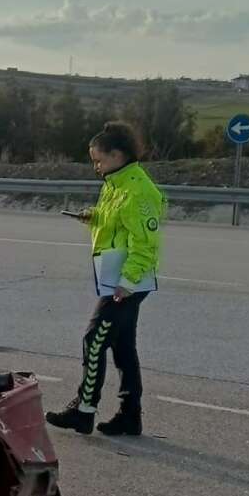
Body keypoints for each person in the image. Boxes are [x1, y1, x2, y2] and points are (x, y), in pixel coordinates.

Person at [46, 121, 166, 437]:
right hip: (116, 276)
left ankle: (83, 410)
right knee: (124, 347)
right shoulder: (115, 183)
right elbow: (115, 224)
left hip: (128, 282)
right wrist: (92, 217)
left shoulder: (138, 189)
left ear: (117, 154)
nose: (96, 167)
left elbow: (146, 243)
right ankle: (130, 416)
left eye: (99, 160)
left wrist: (127, 282)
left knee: (94, 338)